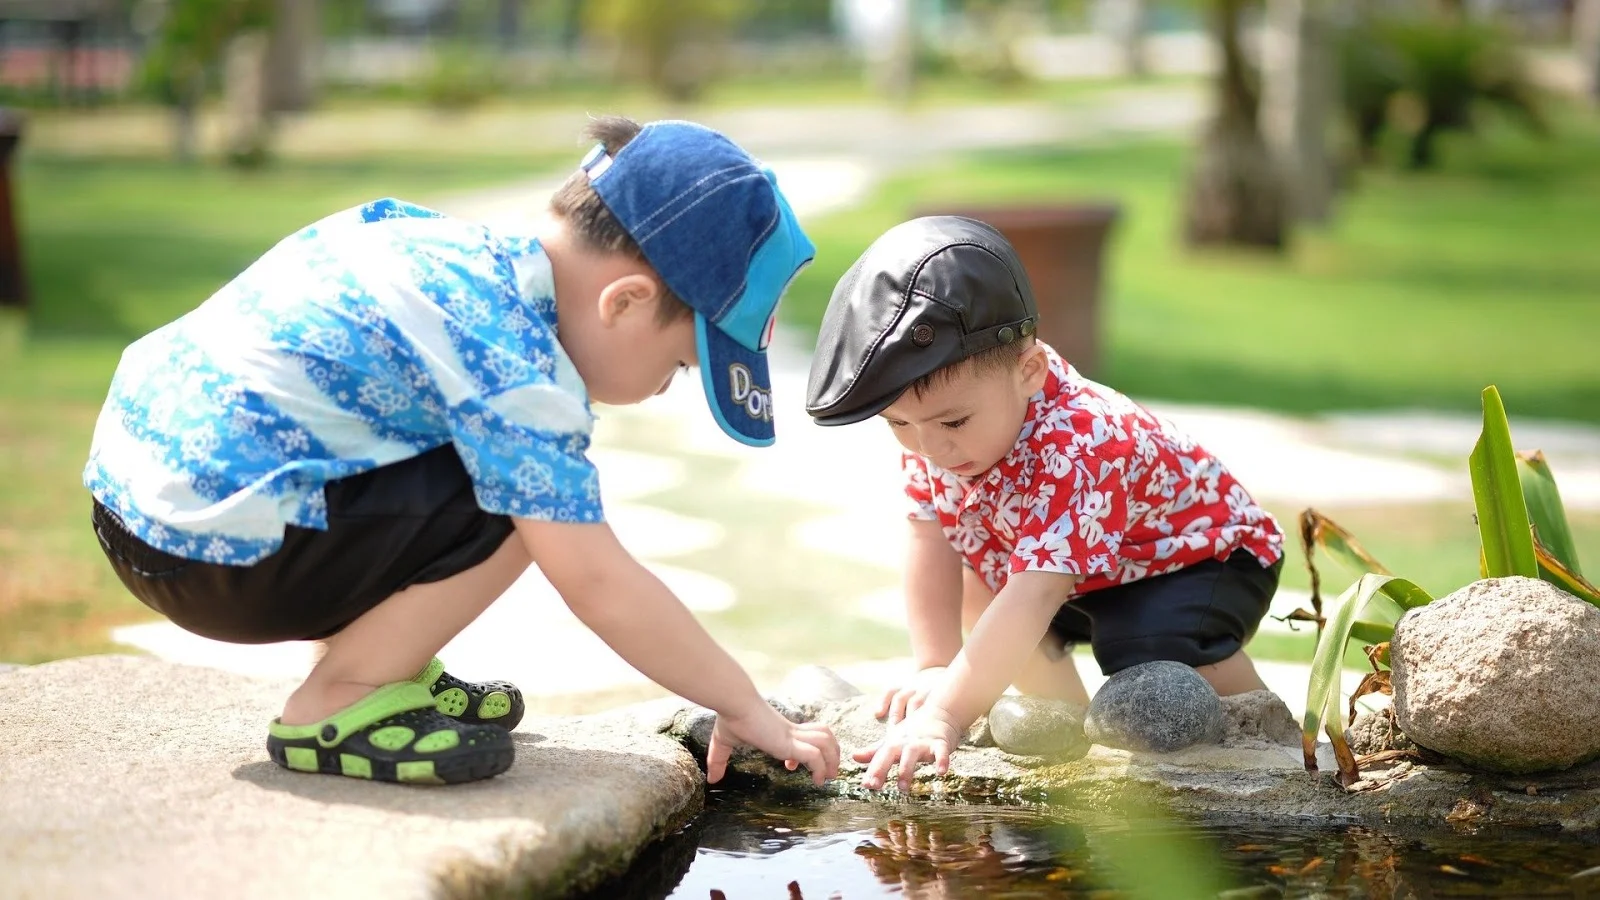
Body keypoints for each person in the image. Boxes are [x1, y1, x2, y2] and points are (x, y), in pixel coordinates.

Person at [84, 116, 839, 787]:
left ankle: (386, 666)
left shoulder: (450, 253)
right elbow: (598, 583)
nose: (660, 390)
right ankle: (339, 700)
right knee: (530, 504)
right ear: (627, 302)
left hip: (141, 505)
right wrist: (741, 704)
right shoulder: (515, 364)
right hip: (211, 554)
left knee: (491, 465)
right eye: (678, 368)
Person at [804, 216, 1283, 791]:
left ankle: (1265, 738)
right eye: (898, 424)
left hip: (1201, 560)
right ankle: (1068, 736)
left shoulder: (1082, 439)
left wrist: (945, 715)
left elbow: (1036, 593)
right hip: (1082, 572)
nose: (930, 447)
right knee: (981, 582)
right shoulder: (938, 434)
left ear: (1028, 370)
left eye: (953, 420)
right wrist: (936, 664)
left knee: (1144, 647)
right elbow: (928, 537)